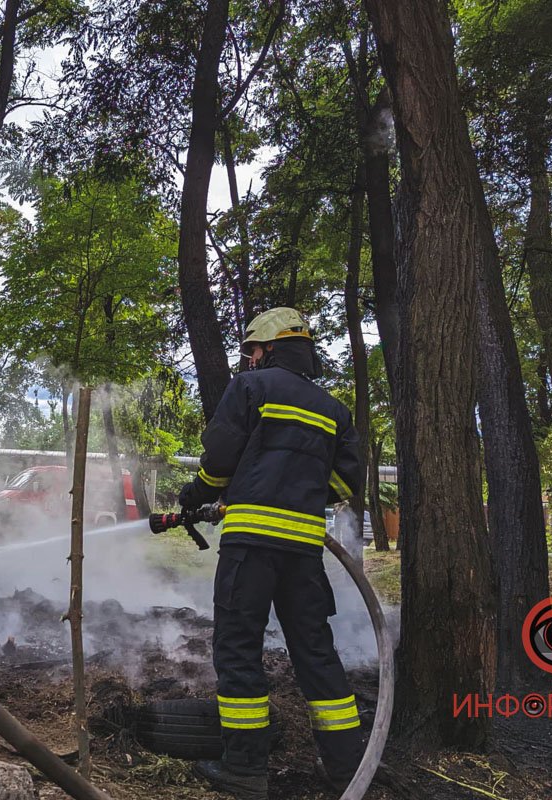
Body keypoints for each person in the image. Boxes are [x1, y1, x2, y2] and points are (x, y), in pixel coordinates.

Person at [182, 308, 366, 800]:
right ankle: (349, 769)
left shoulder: (251, 388)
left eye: (252, 349)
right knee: (316, 652)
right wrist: (298, 490)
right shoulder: (334, 409)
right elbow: (346, 481)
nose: (250, 358)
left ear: (268, 347)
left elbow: (221, 454)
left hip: (251, 545)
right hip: (304, 549)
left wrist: (198, 490)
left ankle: (244, 767)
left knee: (239, 646)